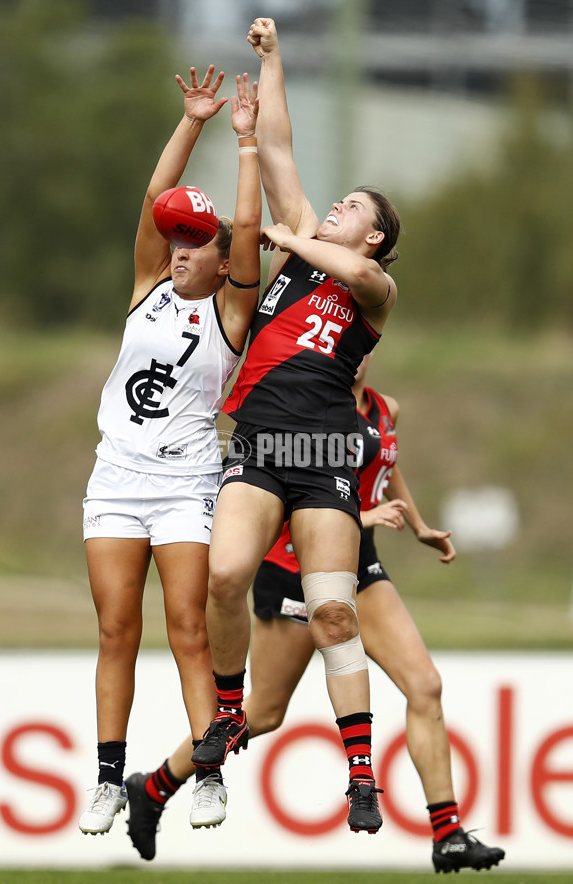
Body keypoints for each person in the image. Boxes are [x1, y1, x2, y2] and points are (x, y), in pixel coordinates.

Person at [125, 355, 505, 874]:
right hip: (293, 568)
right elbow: (287, 498)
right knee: (263, 712)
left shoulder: (383, 408)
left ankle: (448, 835)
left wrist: (416, 523)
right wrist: (362, 513)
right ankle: (153, 787)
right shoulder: (302, 410)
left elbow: (384, 467)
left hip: (359, 564)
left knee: (426, 686)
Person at [186, 15, 402, 839]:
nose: (334, 210)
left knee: (332, 611)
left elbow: (354, 269)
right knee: (225, 577)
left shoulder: (371, 286)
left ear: (374, 235)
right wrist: (271, 63)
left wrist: (290, 237)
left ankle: (361, 778)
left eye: (351, 209)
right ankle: (228, 714)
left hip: (323, 451)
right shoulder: (307, 241)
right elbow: (276, 149)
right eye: (334, 205)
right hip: (261, 440)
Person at [77, 65, 261, 836]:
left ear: (222, 265)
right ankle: (109, 780)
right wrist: (193, 123)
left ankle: (208, 769)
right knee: (117, 629)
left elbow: (247, 233)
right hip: (115, 478)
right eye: (178, 242)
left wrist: (246, 144)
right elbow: (157, 200)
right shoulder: (149, 280)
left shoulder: (230, 313)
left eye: (198, 245)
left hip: (185, 483)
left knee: (188, 627)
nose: (182, 250)